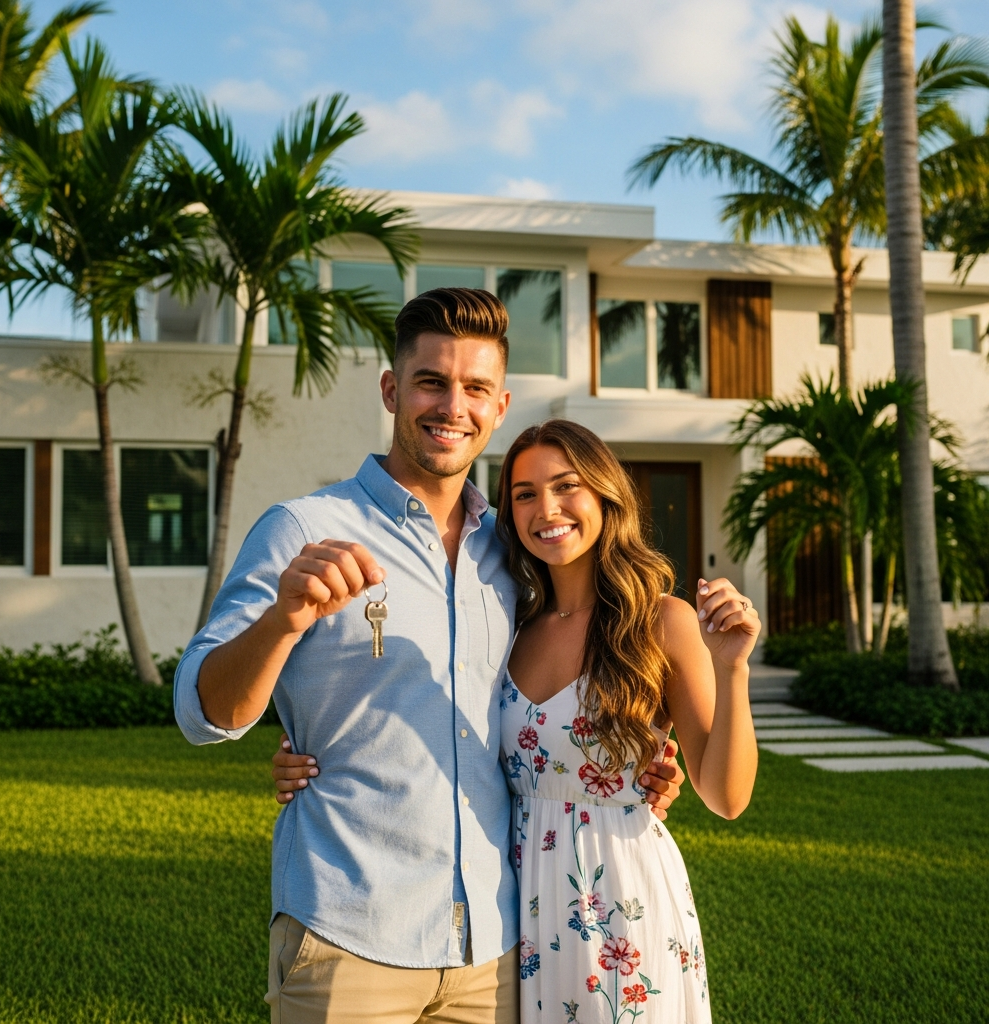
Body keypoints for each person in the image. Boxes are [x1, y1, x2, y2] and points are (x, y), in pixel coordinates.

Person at [173, 288, 685, 1024]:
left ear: (500, 405)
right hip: (347, 939)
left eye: (475, 388)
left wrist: (635, 760)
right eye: (431, 382)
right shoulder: (301, 531)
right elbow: (201, 711)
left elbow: (549, 704)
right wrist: (283, 622)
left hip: (498, 951)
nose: (453, 405)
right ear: (391, 389)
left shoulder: (516, 556)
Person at [276, 418, 759, 1023]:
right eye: (525, 494)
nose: (546, 508)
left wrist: (732, 668)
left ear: (605, 494)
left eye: (566, 486)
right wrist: (307, 749)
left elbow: (727, 796)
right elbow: (442, 728)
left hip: (623, 907)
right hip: (520, 913)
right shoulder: (512, 624)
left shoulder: (662, 621)